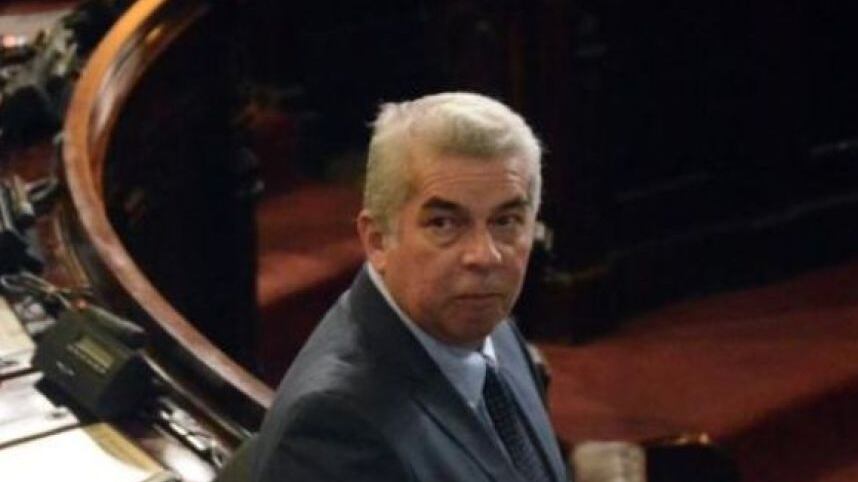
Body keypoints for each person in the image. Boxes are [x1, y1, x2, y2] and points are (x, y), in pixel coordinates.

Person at [252, 92, 569, 482]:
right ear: (377, 241)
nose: (485, 256)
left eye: (505, 221)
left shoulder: (484, 317)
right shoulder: (332, 430)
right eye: (443, 223)